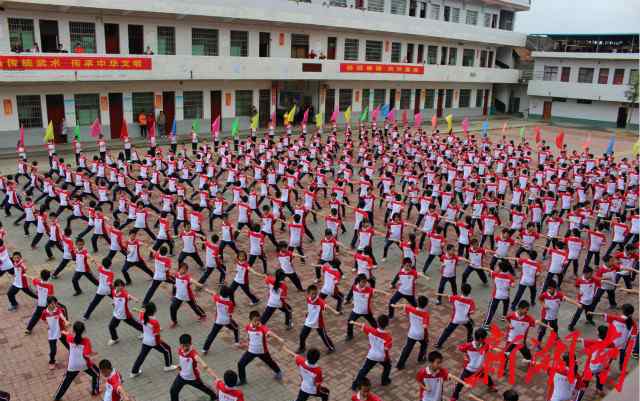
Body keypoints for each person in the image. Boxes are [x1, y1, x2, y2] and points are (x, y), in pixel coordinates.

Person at [53, 321, 100, 400]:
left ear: (74, 330)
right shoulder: (86, 341)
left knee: (66, 382)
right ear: (83, 331)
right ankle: (95, 391)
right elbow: (86, 354)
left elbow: (67, 334)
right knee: (96, 373)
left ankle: (57, 397)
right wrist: (94, 353)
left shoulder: (69, 338)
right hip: (85, 364)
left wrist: (64, 331)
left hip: (72, 365)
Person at [237, 310, 283, 385]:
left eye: (258, 320)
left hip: (262, 352)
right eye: (255, 321)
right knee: (240, 364)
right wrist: (244, 344)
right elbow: (249, 338)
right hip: (251, 351)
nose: (257, 322)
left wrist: (278, 338)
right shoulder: (248, 327)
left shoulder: (262, 327)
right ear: (250, 320)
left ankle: (278, 372)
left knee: (270, 362)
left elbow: (269, 333)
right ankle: (243, 380)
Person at [131, 302, 177, 377]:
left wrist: (137, 310)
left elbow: (142, 312)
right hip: (153, 341)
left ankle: (134, 371)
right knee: (167, 350)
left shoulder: (142, 316)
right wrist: (158, 343)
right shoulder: (155, 322)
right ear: (154, 311)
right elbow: (157, 335)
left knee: (141, 356)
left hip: (145, 340)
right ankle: (168, 366)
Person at [350, 314, 393, 390]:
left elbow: (362, 325)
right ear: (387, 324)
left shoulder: (370, 330)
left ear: (377, 323)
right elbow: (386, 349)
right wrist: (387, 358)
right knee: (388, 366)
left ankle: (355, 385)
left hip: (372, 355)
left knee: (364, 370)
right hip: (381, 356)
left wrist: (353, 322)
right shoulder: (388, 337)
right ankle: (384, 381)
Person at [169, 333, 216, 401]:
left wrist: (215, 377)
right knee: (173, 391)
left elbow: (205, 366)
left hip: (193, 378)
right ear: (180, 344)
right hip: (181, 377)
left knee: (205, 389)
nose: (185, 348)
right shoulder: (180, 350)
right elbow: (182, 361)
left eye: (187, 346)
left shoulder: (194, 354)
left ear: (190, 344)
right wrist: (179, 366)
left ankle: (214, 397)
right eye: (183, 346)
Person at [393, 295, 430, 370]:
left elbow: (403, 305)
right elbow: (425, 327)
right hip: (421, 334)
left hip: (412, 333)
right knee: (424, 345)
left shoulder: (410, 309)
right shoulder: (426, 314)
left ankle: (400, 365)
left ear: (417, 302)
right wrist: (426, 335)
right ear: (426, 305)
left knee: (407, 349)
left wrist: (394, 305)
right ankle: (420, 358)